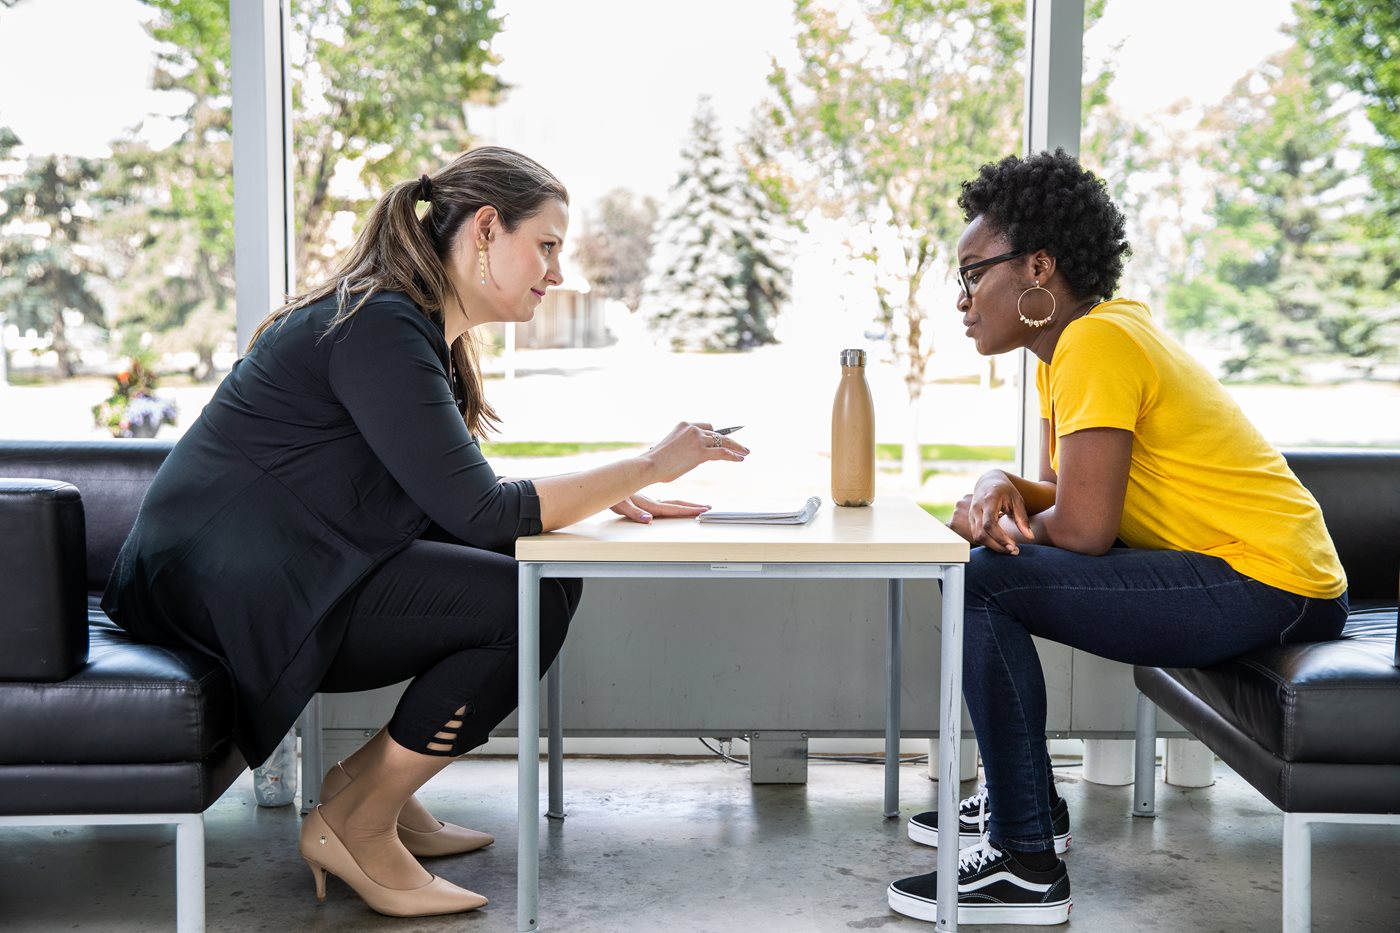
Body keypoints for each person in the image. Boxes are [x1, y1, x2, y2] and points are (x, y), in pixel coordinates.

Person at [101, 146, 750, 918]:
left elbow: (460, 498)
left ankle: (364, 785)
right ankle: (357, 819)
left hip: (274, 565)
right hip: (223, 593)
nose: (557, 272)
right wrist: (647, 464)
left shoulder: (401, 321)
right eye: (546, 245)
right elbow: (483, 511)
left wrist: (603, 493)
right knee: (521, 605)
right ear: (486, 229)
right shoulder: (380, 325)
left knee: (544, 576)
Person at [885, 149, 1347, 926]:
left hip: (1273, 581)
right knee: (988, 568)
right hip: (1256, 574)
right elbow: (1068, 497)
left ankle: (1026, 857)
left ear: (1039, 266)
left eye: (973, 273)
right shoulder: (1073, 345)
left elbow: (1083, 531)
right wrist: (1001, 484)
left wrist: (1000, 523)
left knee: (983, 578)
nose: (961, 299)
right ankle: (1027, 804)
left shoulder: (1095, 345)